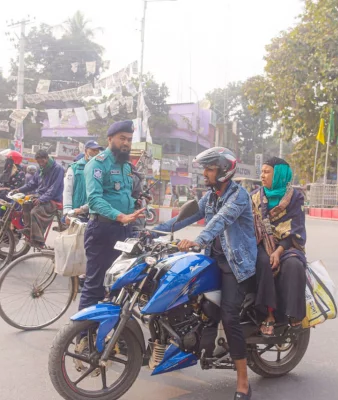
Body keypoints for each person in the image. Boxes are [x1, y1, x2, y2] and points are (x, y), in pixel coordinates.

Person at [153, 147, 256, 399]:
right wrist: (152, 232)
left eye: (210, 169)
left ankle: (243, 381)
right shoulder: (209, 197)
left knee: (229, 316)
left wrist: (198, 239)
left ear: (223, 171)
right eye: (205, 169)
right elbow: (182, 219)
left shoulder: (239, 196)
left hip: (236, 265)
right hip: (212, 260)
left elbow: (220, 220)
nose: (205, 174)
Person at [79, 120, 146, 311]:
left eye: (129, 139)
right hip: (102, 229)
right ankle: (83, 337)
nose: (126, 143)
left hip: (124, 231)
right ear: (110, 139)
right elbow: (94, 200)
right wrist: (120, 216)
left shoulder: (126, 166)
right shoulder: (97, 165)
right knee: (94, 286)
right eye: (122, 138)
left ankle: (114, 336)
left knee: (119, 284)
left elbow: (124, 195)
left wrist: (135, 208)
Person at [251, 157, 307, 337]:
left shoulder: (295, 197)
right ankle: (268, 314)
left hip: (287, 244)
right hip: (261, 242)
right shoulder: (256, 196)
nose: (262, 175)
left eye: (267, 172)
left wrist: (278, 249)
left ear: (280, 175)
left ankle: (294, 314)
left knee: (294, 265)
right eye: (262, 171)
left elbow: (295, 228)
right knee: (263, 262)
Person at [12, 150, 64, 247]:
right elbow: (32, 184)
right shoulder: (40, 169)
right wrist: (19, 190)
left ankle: (38, 239)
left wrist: (41, 199)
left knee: (34, 212)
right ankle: (28, 229)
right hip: (41, 196)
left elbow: (53, 189)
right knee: (26, 204)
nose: (41, 164)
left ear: (47, 159)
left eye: (42, 162)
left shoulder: (58, 169)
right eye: (38, 162)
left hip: (53, 199)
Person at [63, 140, 104, 222]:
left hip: (94, 212)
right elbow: (68, 191)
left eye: (97, 150)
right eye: (93, 150)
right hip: (76, 212)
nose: (96, 153)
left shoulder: (101, 168)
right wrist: (67, 212)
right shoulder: (74, 168)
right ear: (86, 151)